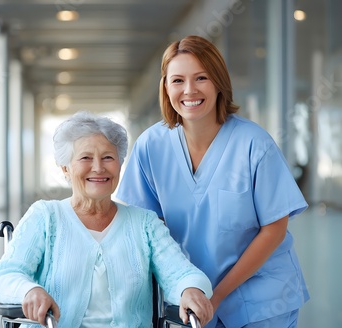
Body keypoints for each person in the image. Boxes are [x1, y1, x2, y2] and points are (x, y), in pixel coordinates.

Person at [116, 35, 310, 327]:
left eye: (201, 78)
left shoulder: (254, 144)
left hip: (260, 300)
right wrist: (184, 286)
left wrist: (215, 296)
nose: (189, 90)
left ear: (219, 82)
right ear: (165, 87)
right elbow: (146, 226)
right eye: (177, 80)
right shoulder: (151, 146)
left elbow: (274, 229)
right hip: (189, 298)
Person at [0, 111, 214, 327]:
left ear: (119, 164)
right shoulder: (45, 217)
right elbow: (5, 274)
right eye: (86, 158)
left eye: (108, 157)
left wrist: (190, 289)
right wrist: (29, 290)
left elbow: (181, 273)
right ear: (65, 168)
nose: (98, 168)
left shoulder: (145, 223)